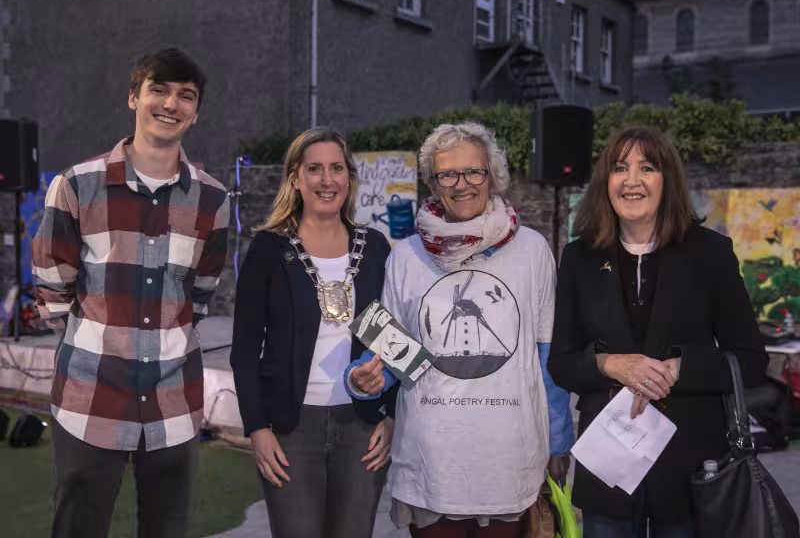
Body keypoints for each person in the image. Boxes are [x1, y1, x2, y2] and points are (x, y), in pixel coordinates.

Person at [33, 47, 230, 538]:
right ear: (133, 98)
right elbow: (53, 286)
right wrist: (95, 342)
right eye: (158, 90)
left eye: (185, 96)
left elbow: (201, 290)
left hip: (174, 404)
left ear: (196, 111)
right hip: (89, 398)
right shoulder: (78, 185)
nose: (171, 104)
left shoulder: (214, 200)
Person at [345, 121, 574, 538]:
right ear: (433, 183)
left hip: (508, 459)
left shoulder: (532, 250)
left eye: (474, 172)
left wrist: (558, 442)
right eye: (447, 174)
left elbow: (547, 358)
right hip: (431, 463)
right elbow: (392, 353)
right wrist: (364, 379)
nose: (461, 184)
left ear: (492, 176)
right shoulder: (406, 257)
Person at [548, 126, 768, 538]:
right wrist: (609, 363)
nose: (632, 180)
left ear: (667, 180)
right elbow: (561, 363)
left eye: (647, 167)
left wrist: (682, 368)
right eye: (619, 168)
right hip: (609, 470)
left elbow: (752, 360)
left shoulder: (711, 254)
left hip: (692, 470)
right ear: (605, 183)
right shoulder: (578, 257)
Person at [230, 128, 398, 538]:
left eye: (337, 168)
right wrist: (257, 428)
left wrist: (392, 415)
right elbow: (245, 348)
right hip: (290, 428)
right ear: (295, 179)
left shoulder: (375, 247)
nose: (327, 180)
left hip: (363, 427)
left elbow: (392, 340)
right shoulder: (270, 249)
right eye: (315, 169)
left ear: (350, 177)